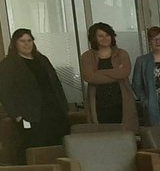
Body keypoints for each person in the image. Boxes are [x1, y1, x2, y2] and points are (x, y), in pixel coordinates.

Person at [0, 29, 70, 158]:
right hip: (31, 115)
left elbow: (56, 84)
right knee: (36, 149)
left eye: (29, 40)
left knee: (58, 147)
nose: (26, 44)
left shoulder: (42, 59)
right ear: (15, 43)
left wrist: (64, 107)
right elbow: (5, 92)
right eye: (22, 41)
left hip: (54, 112)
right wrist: (18, 116)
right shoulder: (8, 64)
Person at [79, 22, 135, 128]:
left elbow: (124, 73)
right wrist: (115, 72)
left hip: (121, 102)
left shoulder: (122, 54)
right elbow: (89, 77)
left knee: (124, 133)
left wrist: (99, 72)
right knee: (102, 133)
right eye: (100, 36)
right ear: (94, 38)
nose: (105, 38)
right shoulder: (86, 56)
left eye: (107, 35)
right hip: (98, 104)